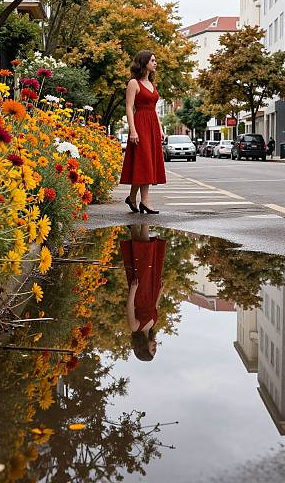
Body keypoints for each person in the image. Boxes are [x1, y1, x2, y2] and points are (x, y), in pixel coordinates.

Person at [120, 50, 166, 215]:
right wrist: (132, 130)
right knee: (144, 163)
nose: (155, 63)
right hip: (140, 125)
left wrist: (160, 129)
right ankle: (145, 201)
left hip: (152, 125)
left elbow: (154, 110)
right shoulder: (134, 83)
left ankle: (132, 198)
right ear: (144, 62)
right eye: (152, 60)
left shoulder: (152, 84)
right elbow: (129, 108)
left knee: (145, 164)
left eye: (155, 60)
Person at [121, 225, 166, 361]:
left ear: (143, 348)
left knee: (145, 257)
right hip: (151, 290)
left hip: (141, 291)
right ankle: (134, 215)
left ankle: (145, 221)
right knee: (144, 256)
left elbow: (129, 306)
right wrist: (160, 292)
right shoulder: (152, 325)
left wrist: (133, 290)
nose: (155, 347)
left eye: (152, 349)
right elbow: (155, 307)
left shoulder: (135, 327)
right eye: (155, 350)